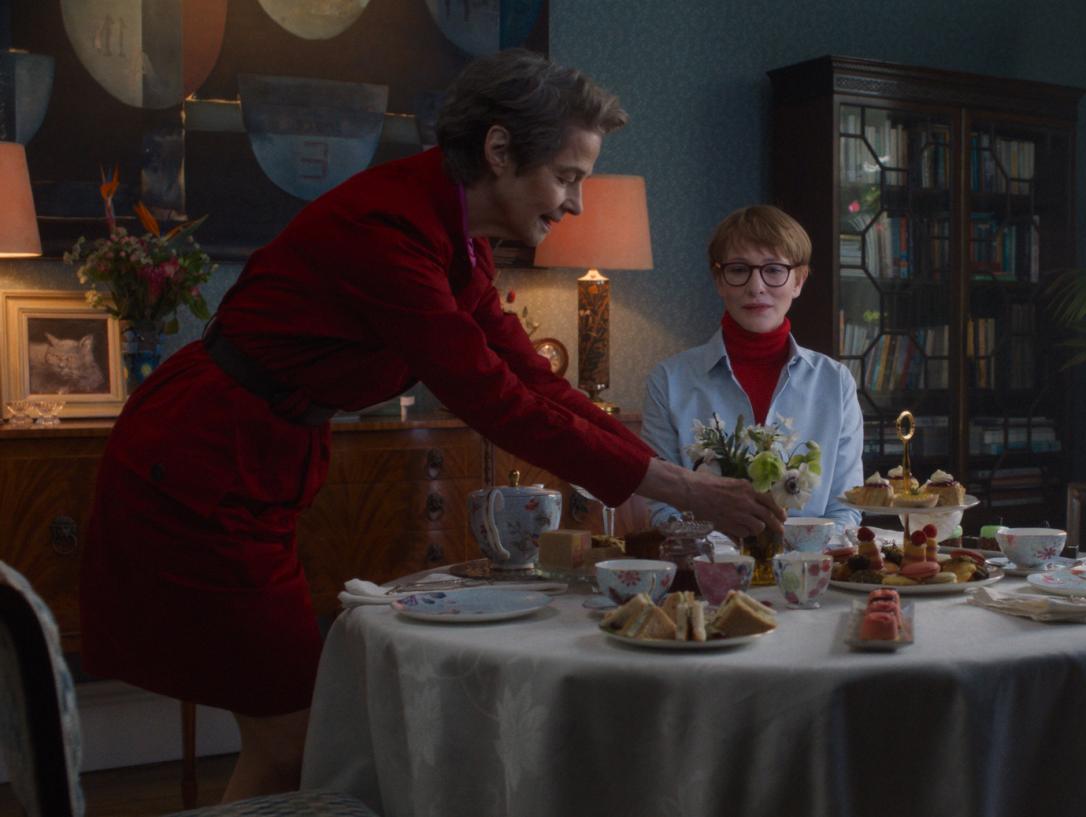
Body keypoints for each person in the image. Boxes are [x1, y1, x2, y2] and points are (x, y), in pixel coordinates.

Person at [77, 50, 782, 803]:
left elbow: (535, 380)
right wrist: (684, 489)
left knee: (288, 733)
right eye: (567, 176)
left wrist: (672, 478)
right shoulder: (389, 229)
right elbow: (493, 399)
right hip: (200, 459)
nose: (576, 203)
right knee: (290, 738)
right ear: (500, 150)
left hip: (257, 456)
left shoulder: (458, 238)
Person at [641, 205, 863, 529]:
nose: (756, 286)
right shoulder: (669, 381)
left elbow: (846, 509)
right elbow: (664, 511)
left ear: (798, 281)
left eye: (773, 270)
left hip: (814, 558)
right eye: (738, 269)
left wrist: (803, 553)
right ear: (719, 280)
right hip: (706, 557)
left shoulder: (835, 382)